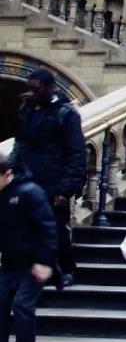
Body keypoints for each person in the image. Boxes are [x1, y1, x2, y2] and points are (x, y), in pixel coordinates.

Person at [10, 68, 87, 288]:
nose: (32, 93)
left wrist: (67, 188)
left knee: (56, 228)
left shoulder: (66, 114)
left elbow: (76, 152)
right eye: (30, 89)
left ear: (49, 88)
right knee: (27, 227)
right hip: (26, 180)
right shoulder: (26, 109)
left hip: (54, 181)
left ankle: (66, 268)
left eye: (36, 89)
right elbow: (20, 144)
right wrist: (11, 170)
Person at [0, 151, 57, 342]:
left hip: (33, 263)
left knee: (22, 305)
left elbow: (49, 228)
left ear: (7, 173)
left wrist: (44, 262)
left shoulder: (30, 192)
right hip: (10, 262)